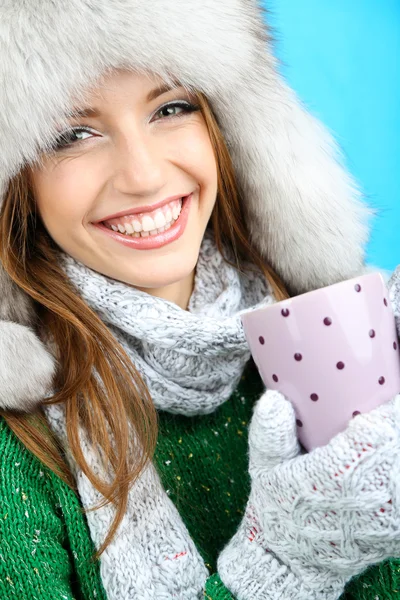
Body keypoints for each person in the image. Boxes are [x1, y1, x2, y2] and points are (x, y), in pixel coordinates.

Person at [0, 1, 399, 599]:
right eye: (72, 133)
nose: (143, 175)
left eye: (172, 107)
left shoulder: (335, 337)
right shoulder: (17, 445)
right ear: (16, 183)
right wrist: (282, 569)